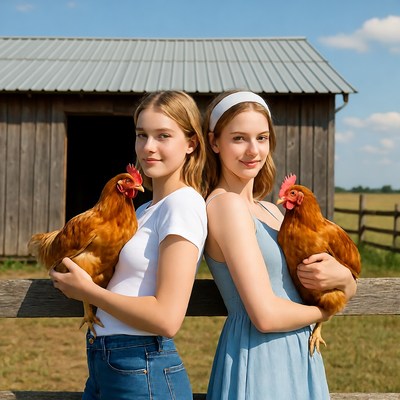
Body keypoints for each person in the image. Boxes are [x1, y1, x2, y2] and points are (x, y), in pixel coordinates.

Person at [49, 90, 207, 400]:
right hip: (108, 360)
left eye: (163, 136)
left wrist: (89, 291)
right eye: (141, 135)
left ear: (191, 143)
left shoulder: (184, 204)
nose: (149, 147)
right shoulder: (144, 210)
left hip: (141, 363)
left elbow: (167, 318)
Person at [202, 90, 357, 400]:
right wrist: (323, 312)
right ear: (214, 141)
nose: (253, 150)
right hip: (262, 355)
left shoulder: (272, 211)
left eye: (261, 138)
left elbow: (343, 288)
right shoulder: (226, 206)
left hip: (299, 349)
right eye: (239, 139)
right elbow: (265, 315)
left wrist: (342, 279)